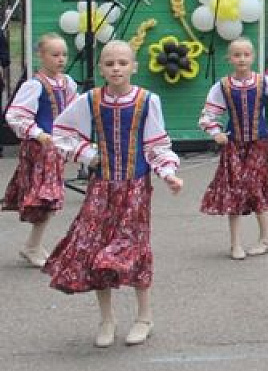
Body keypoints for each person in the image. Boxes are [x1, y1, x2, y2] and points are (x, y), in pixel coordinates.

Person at [45, 40, 183, 347]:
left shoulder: (147, 100)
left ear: (134, 66)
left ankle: (144, 317)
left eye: (122, 63)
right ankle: (107, 319)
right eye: (109, 63)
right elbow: (61, 132)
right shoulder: (90, 100)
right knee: (96, 250)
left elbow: (156, 144)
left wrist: (168, 173)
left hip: (135, 189)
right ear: (101, 69)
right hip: (101, 189)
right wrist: (88, 155)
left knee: (134, 248)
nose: (116, 68)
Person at [198, 37, 268, 260]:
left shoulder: (264, 83)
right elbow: (209, 114)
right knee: (235, 190)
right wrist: (216, 132)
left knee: (256, 187)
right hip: (234, 144)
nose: (242, 59)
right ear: (229, 58)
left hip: (258, 144)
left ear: (253, 57)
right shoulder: (223, 86)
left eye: (246, 54)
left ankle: (266, 237)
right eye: (237, 55)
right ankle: (235, 243)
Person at [3, 34, 77, 267]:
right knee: (47, 197)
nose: (61, 59)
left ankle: (34, 244)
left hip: (55, 149)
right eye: (55, 55)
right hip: (39, 150)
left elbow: (72, 111)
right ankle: (32, 245)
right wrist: (37, 133)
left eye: (64, 54)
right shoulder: (34, 85)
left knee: (50, 198)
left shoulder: (67, 83)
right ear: (41, 56)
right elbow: (15, 115)